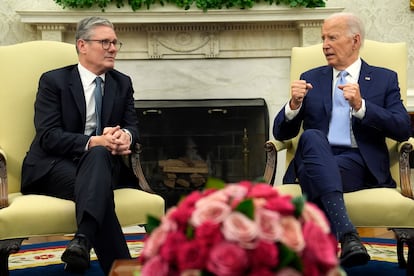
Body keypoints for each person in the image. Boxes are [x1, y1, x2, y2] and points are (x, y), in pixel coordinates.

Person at [273, 12, 411, 267]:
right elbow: (281, 134)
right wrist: (293, 105)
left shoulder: (384, 78)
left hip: (358, 163)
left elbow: (403, 128)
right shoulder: (310, 77)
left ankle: (318, 256)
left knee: (316, 172)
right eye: (323, 37)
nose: (324, 44)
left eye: (332, 37)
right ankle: (348, 235)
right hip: (315, 153)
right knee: (313, 137)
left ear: (355, 41)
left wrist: (362, 106)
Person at [21, 16, 140, 274]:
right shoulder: (54, 82)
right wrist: (94, 141)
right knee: (99, 185)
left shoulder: (122, 83)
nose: (113, 48)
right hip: (53, 167)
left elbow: (133, 128)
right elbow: (48, 136)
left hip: (103, 166)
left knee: (98, 159)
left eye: (115, 42)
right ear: (82, 45)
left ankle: (82, 243)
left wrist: (124, 138)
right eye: (105, 42)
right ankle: (113, 262)